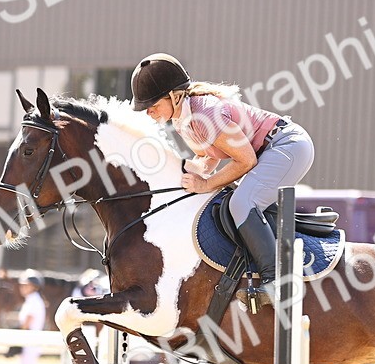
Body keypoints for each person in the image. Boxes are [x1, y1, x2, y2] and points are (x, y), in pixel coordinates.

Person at [131, 53, 315, 305]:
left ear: (174, 96)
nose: (149, 112)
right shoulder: (184, 119)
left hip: (288, 146)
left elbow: (246, 161)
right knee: (236, 200)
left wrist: (205, 184)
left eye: (153, 104)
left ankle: (277, 283)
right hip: (272, 151)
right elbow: (209, 158)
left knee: (240, 204)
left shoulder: (205, 113)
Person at [17, 269, 47, 364]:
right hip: (30, 340)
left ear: (33, 286)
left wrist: (16, 334)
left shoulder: (34, 301)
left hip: (30, 341)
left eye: (26, 285)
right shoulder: (32, 300)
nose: (22, 287)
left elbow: (26, 322)